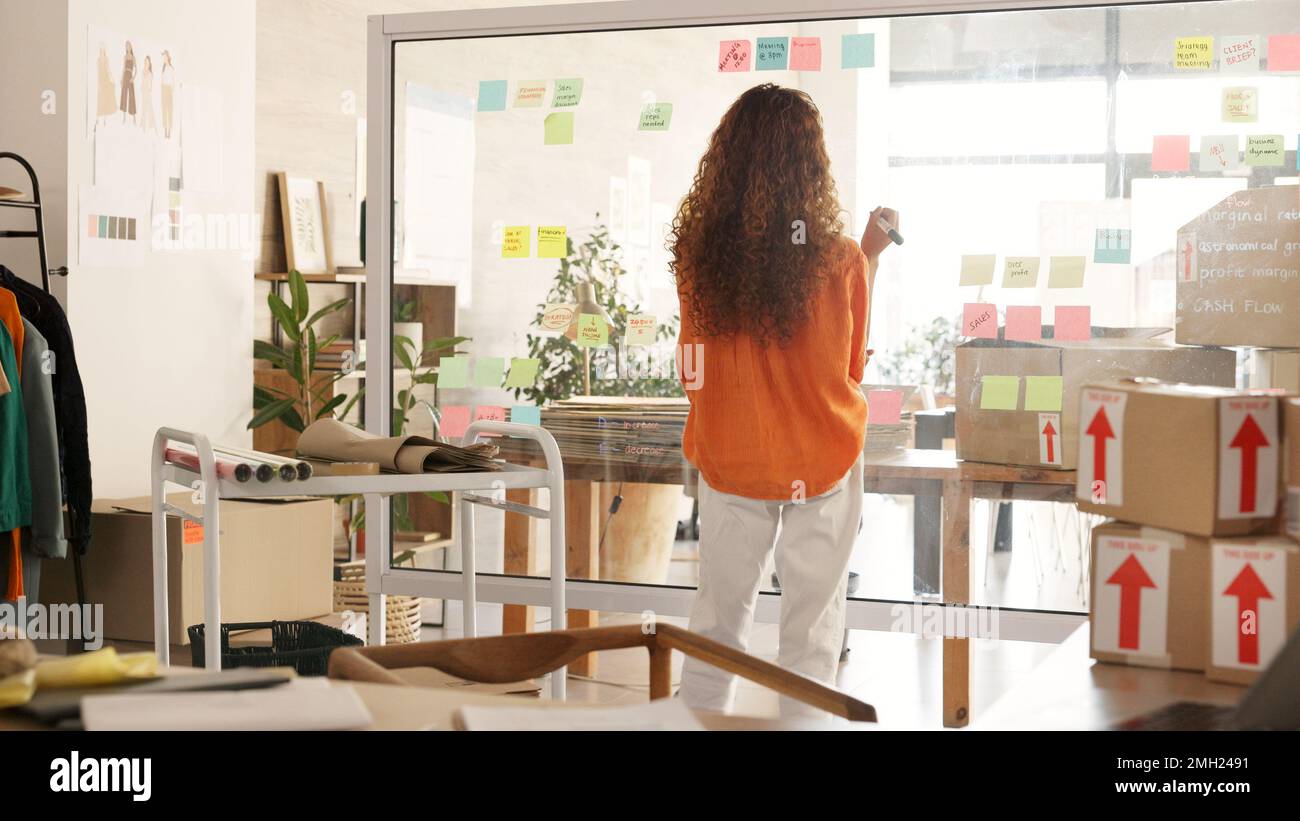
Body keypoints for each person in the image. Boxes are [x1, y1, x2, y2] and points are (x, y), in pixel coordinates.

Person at [669, 83, 897, 716]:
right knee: (812, 630)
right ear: (811, 166)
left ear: (729, 160)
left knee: (717, 618)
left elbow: (693, 370)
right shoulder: (839, 258)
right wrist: (872, 256)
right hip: (819, 458)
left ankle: (698, 727)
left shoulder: (698, 259)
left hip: (733, 455)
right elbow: (849, 366)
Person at [119, 41, 137, 125]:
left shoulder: (133, 57)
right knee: (124, 95)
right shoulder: (125, 57)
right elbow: (123, 69)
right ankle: (123, 117)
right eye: (126, 46)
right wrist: (122, 79)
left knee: (132, 95)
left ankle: (134, 118)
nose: (127, 47)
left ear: (131, 47)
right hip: (125, 75)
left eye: (129, 46)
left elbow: (136, 70)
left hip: (130, 76)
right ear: (125, 48)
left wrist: (133, 78)